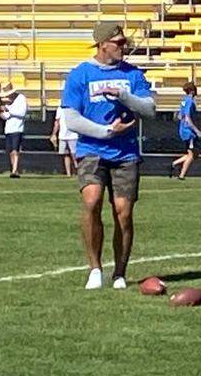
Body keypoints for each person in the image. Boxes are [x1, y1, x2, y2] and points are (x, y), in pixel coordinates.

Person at [60, 21, 155, 291]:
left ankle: (120, 272)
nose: (124, 47)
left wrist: (125, 96)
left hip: (126, 153)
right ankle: (94, 268)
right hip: (92, 149)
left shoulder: (133, 74)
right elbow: (72, 118)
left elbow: (149, 109)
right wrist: (105, 132)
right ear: (103, 44)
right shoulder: (80, 74)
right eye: (119, 43)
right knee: (92, 201)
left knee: (123, 214)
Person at [169, 82, 201, 181]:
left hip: (183, 129)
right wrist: (197, 131)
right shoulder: (190, 102)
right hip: (189, 131)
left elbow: (180, 116)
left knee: (194, 153)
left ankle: (174, 164)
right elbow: (187, 118)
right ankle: (181, 175)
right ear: (193, 91)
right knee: (192, 154)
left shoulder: (183, 101)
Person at [0, 87, 28, 178]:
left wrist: (9, 110)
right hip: (9, 129)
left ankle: (14, 169)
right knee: (11, 151)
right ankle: (14, 169)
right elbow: (6, 116)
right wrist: (1, 113)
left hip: (17, 128)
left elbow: (22, 113)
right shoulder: (9, 102)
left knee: (15, 150)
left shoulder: (21, 98)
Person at [50, 104, 78, 176]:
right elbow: (57, 122)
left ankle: (77, 171)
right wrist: (54, 134)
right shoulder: (60, 108)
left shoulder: (75, 107)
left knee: (74, 155)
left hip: (73, 135)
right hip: (63, 135)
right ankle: (68, 173)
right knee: (66, 155)